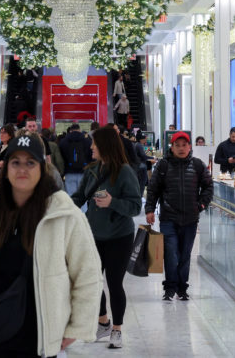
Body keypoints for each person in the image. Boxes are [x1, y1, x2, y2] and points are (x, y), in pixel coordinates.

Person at [0, 133, 102, 358]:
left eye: (30, 162)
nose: (22, 169)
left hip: (38, 340)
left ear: (42, 167)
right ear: (5, 169)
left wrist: (77, 327)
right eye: (15, 162)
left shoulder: (64, 215)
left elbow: (87, 274)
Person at [71, 125, 141, 349]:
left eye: (94, 143)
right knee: (92, 282)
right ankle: (102, 321)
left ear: (105, 146)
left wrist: (113, 202)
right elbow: (80, 196)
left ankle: (117, 329)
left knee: (114, 283)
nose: (91, 147)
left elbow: (135, 207)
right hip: (94, 235)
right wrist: (62, 207)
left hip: (119, 237)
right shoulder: (92, 170)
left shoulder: (125, 172)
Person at [145, 131, 213, 301]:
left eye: (184, 145)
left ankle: (182, 288)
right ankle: (170, 288)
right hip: (168, 217)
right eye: (177, 145)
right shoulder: (163, 166)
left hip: (190, 218)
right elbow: (153, 189)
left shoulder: (198, 165)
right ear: (172, 147)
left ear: (190, 147)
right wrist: (150, 209)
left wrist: (201, 205)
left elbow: (208, 186)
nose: (181, 148)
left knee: (184, 255)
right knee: (171, 253)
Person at [58, 122, 93, 197]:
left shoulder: (63, 142)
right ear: (79, 130)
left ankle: (72, 208)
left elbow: (61, 158)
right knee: (83, 196)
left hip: (69, 172)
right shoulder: (87, 141)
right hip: (84, 172)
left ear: (70, 131)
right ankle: (83, 209)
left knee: (71, 196)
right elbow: (91, 157)